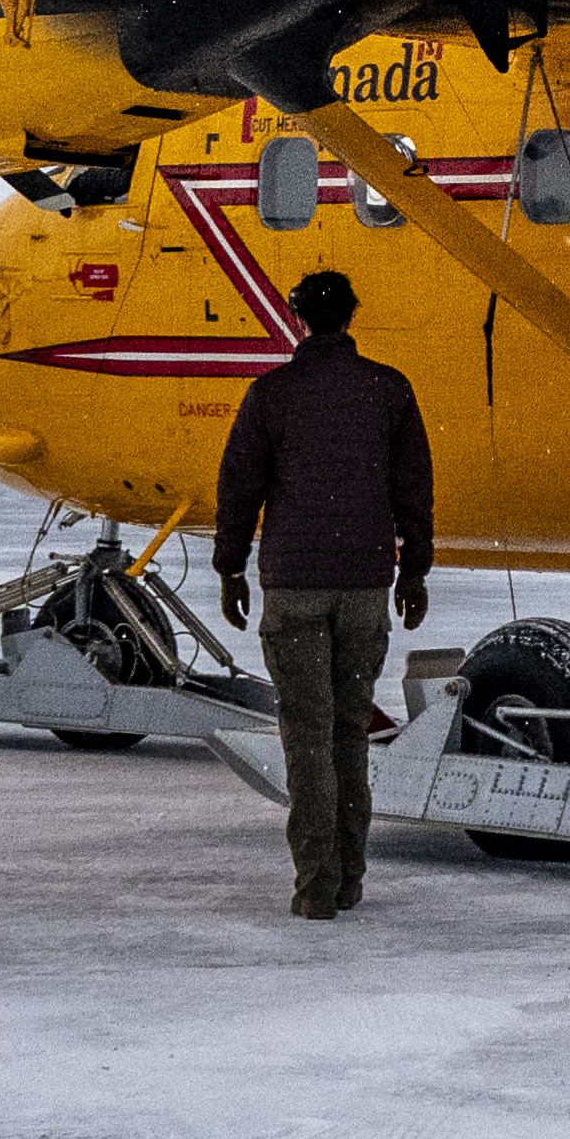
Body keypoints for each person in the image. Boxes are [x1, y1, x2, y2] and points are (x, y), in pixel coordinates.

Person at [211, 269, 441, 917]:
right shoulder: (389, 391)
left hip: (295, 586)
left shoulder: (271, 395)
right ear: (351, 315)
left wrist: (230, 568)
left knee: (307, 736)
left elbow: (239, 487)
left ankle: (317, 885)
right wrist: (414, 572)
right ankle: (349, 878)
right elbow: (413, 491)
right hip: (365, 586)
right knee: (348, 732)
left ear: (298, 318)